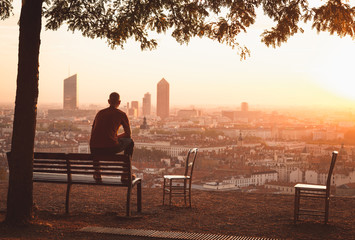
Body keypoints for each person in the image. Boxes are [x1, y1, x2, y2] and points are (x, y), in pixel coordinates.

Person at [90, 92, 134, 181]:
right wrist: (116, 137)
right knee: (130, 142)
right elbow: (128, 134)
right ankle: (125, 173)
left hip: (95, 149)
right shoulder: (121, 114)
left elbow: (93, 132)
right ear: (119, 102)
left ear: (109, 101)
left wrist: (113, 136)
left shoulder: (100, 113)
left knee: (94, 142)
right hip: (110, 147)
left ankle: (97, 173)